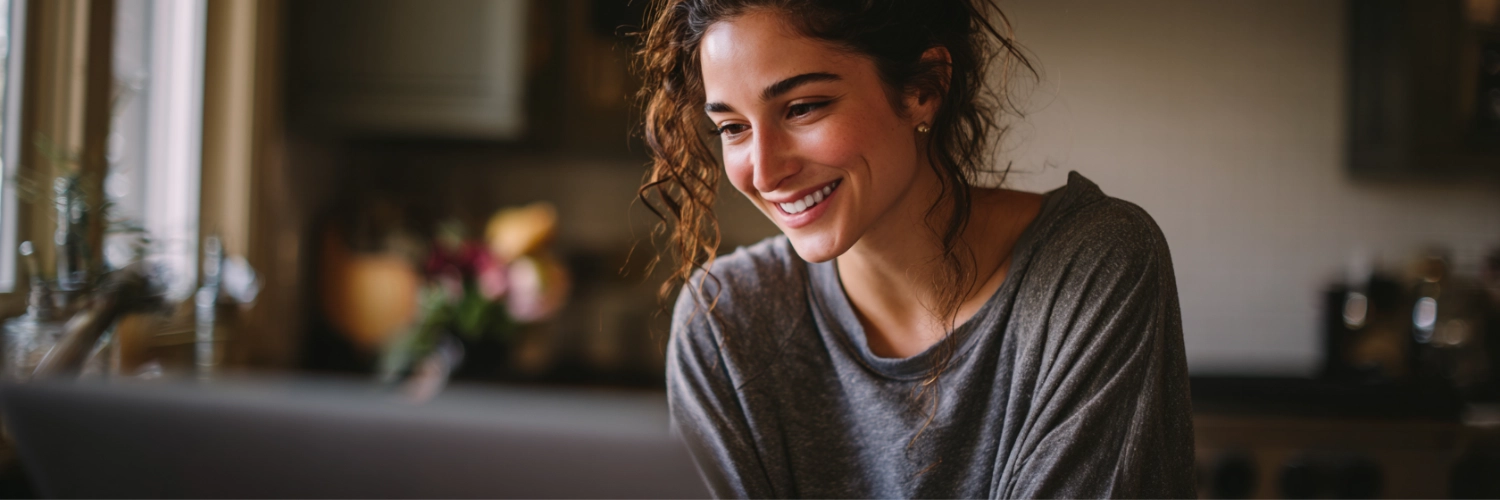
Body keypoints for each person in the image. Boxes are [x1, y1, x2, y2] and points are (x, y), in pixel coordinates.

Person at [634, 0, 1197, 497]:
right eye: (732, 128)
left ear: (923, 89)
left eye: (803, 107)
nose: (763, 170)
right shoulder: (724, 322)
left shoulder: (1092, 265)